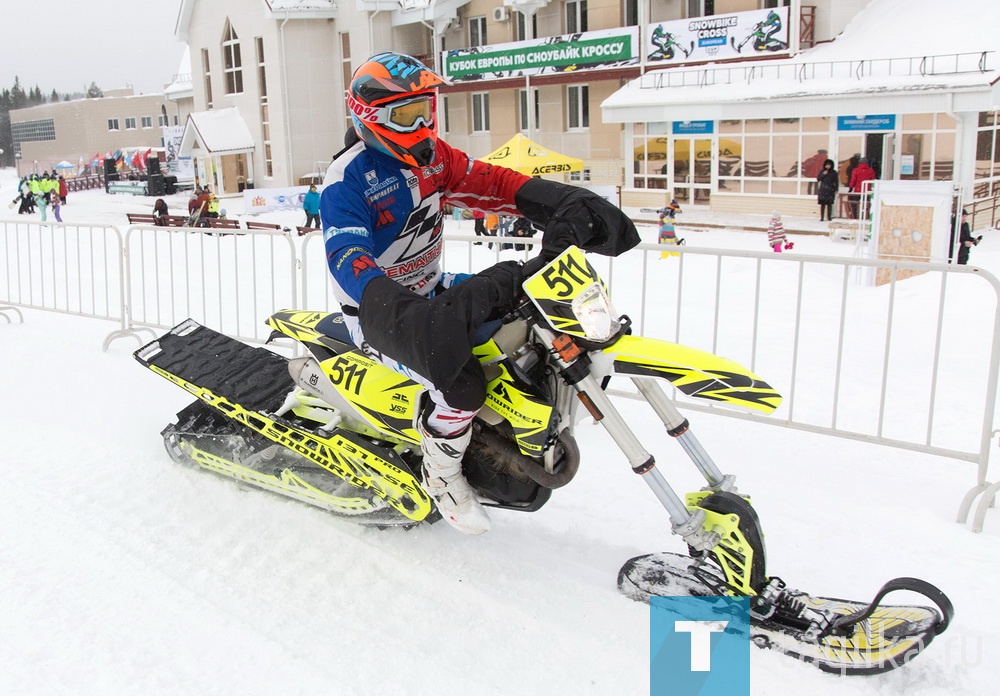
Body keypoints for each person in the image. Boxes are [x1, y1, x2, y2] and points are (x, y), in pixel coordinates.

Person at [319, 52, 638, 535]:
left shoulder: (435, 157)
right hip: (379, 312)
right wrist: (387, 301)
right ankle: (442, 474)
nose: (423, 124)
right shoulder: (347, 181)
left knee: (533, 316)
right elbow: (347, 256)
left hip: (435, 289)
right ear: (371, 116)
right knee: (463, 388)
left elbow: (492, 183)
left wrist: (556, 202)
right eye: (407, 116)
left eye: (427, 108)